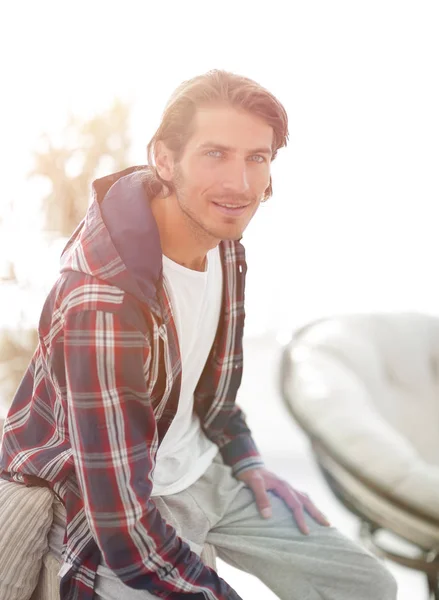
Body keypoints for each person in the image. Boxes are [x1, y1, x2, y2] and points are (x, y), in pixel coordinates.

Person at [0, 70, 397, 600]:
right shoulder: (103, 303)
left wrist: (248, 462)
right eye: (215, 154)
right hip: (115, 498)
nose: (240, 184)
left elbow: (214, 396)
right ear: (164, 159)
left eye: (257, 157)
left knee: (365, 584)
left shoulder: (225, 247)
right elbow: (124, 528)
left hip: (205, 471)